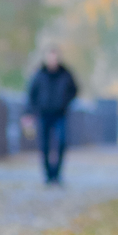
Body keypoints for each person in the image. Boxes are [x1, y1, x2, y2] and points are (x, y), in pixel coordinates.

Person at [26, 47, 78, 184]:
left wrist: (65, 102)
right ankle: (48, 175)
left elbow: (75, 90)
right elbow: (31, 94)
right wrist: (30, 112)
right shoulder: (39, 74)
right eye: (50, 57)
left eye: (55, 58)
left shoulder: (65, 74)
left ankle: (57, 174)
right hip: (43, 115)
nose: (52, 61)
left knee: (61, 142)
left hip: (60, 114)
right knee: (44, 145)